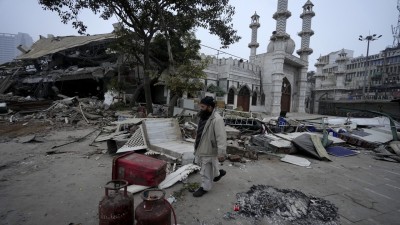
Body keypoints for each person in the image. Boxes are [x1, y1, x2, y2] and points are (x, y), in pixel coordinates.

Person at [193, 96, 227, 197]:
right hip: (201, 146)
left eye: (202, 106)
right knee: (210, 165)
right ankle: (217, 174)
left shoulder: (217, 119)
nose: (201, 108)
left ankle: (205, 187)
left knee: (205, 169)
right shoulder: (203, 115)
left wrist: (221, 153)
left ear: (210, 107)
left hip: (209, 148)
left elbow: (221, 137)